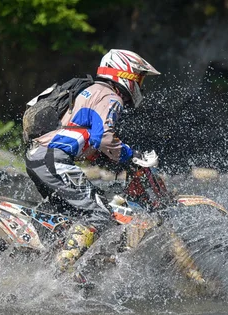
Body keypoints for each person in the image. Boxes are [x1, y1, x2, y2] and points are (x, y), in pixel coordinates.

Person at [24, 49, 160, 273]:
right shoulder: (109, 96)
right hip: (53, 159)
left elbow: (89, 140)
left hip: (41, 158)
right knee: (100, 215)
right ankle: (58, 274)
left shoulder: (90, 90)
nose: (141, 85)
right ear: (125, 74)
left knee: (72, 218)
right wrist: (132, 155)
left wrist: (116, 158)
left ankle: (71, 272)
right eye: (139, 78)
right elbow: (104, 137)